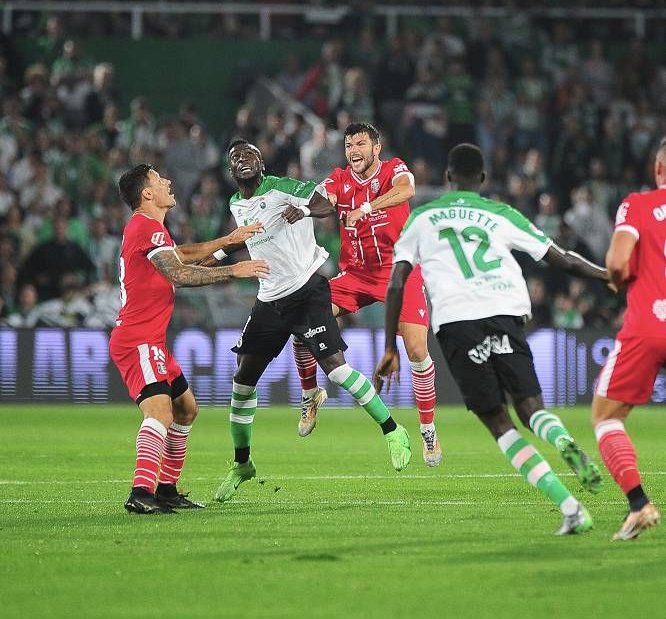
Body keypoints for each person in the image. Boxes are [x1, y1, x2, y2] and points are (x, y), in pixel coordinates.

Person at [379, 143, 609, 535]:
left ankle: (571, 508)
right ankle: (563, 438)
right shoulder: (501, 213)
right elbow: (563, 259)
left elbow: (397, 282)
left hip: (457, 319)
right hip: (505, 309)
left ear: (449, 177)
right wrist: (609, 276)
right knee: (532, 407)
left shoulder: (422, 218)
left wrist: (389, 346)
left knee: (499, 422)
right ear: (483, 179)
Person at [211, 140, 411, 503]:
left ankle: (393, 430)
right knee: (242, 382)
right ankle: (242, 464)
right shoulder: (235, 204)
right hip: (269, 300)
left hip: (307, 290)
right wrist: (210, 259)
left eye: (250, 154)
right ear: (230, 171)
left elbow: (324, 204)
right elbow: (242, 240)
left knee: (336, 370)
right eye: (236, 157)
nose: (243, 160)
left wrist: (302, 208)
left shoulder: (284, 187)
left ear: (262, 162)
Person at [111, 163, 269, 514]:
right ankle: (141, 492)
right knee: (159, 413)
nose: (168, 180)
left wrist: (228, 242)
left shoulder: (152, 230)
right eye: (158, 178)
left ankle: (166, 490)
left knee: (186, 408)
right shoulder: (144, 226)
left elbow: (180, 256)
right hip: (137, 340)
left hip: (152, 340)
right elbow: (179, 274)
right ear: (147, 194)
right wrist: (234, 269)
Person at [292, 122, 442, 467]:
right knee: (301, 317)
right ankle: (310, 394)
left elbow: (406, 190)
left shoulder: (393, 169)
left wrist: (367, 207)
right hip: (356, 275)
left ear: (377, 147)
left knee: (418, 350)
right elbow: (324, 197)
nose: (353, 150)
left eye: (360, 143)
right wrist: (314, 204)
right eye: (348, 146)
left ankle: (428, 429)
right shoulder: (339, 178)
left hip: (399, 272)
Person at [591, 138, 666, 541]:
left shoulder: (637, 205)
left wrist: (617, 281)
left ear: (659, 168)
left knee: (606, 417)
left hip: (651, 324)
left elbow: (618, 262)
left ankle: (639, 504)